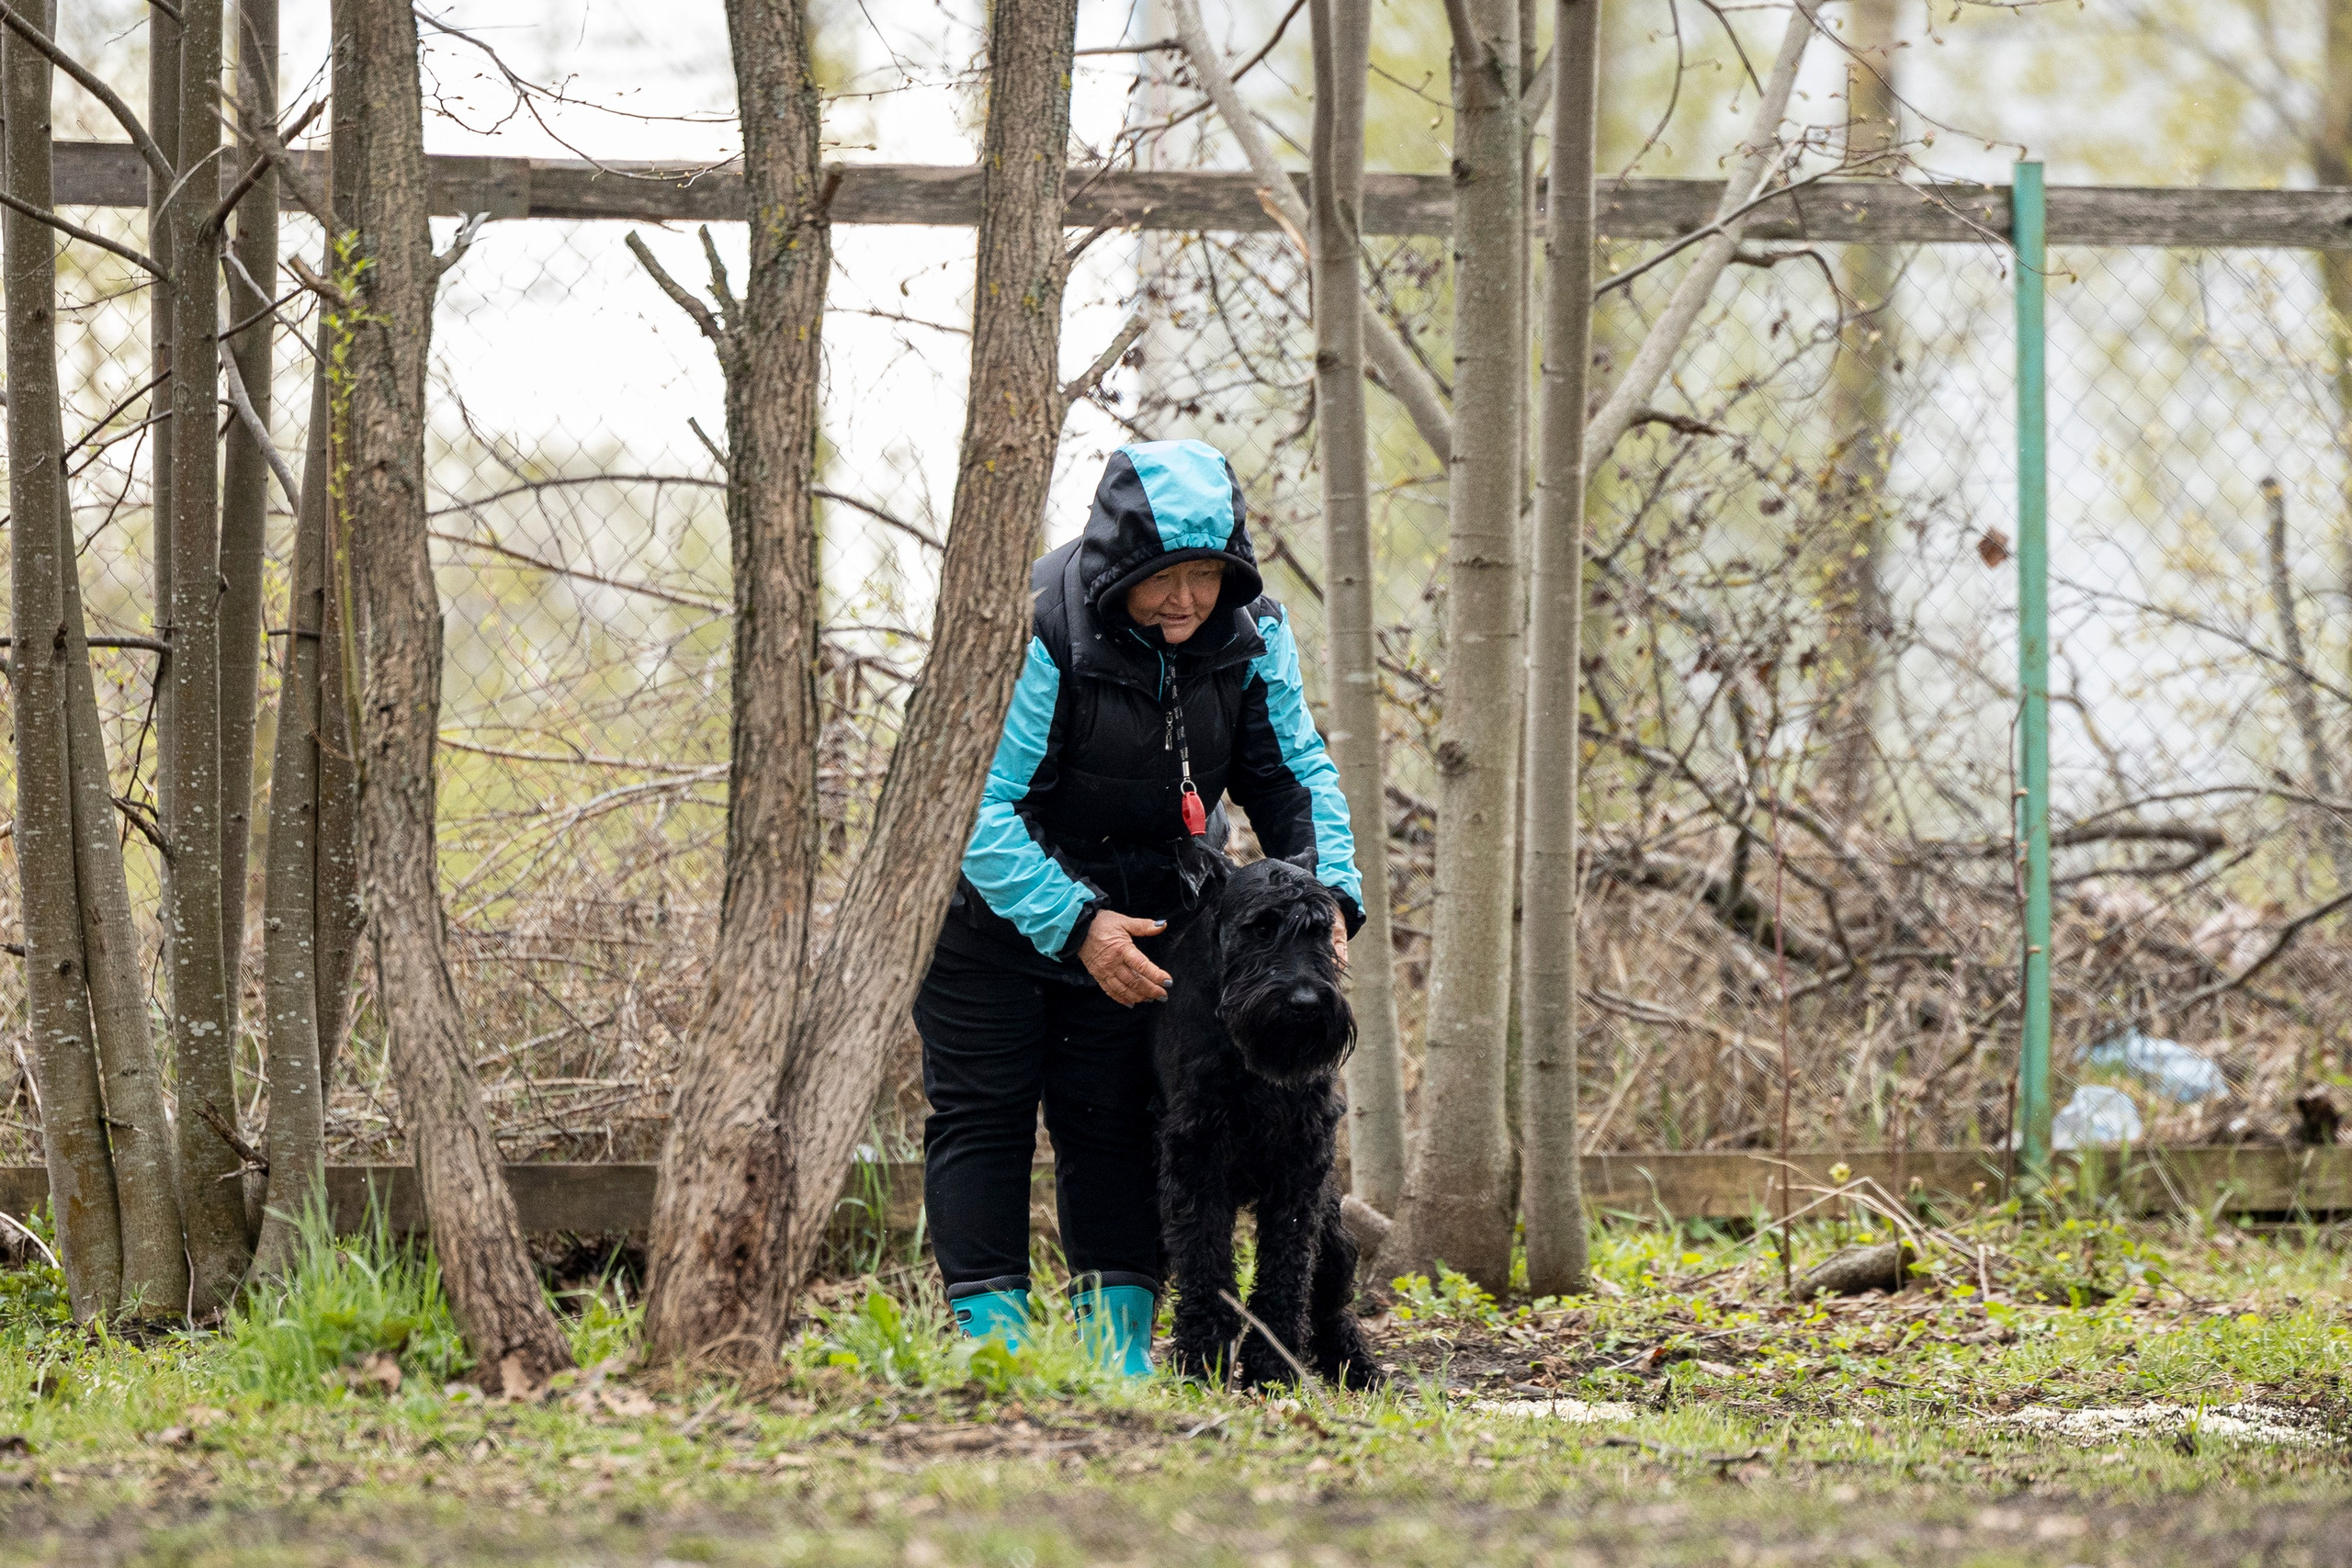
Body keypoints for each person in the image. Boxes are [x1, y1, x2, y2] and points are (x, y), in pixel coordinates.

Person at [916, 438, 1364, 1377]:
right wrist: (1077, 923)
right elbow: (973, 799)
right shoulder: (1040, 624)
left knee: (1113, 1118)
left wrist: (1325, 903)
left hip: (1151, 919)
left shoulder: (1252, 634)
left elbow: (1294, 777)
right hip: (990, 914)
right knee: (982, 1116)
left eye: (1205, 576)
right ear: (1115, 561)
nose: (1185, 600)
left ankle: (1114, 1354)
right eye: (1162, 577)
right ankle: (996, 1352)